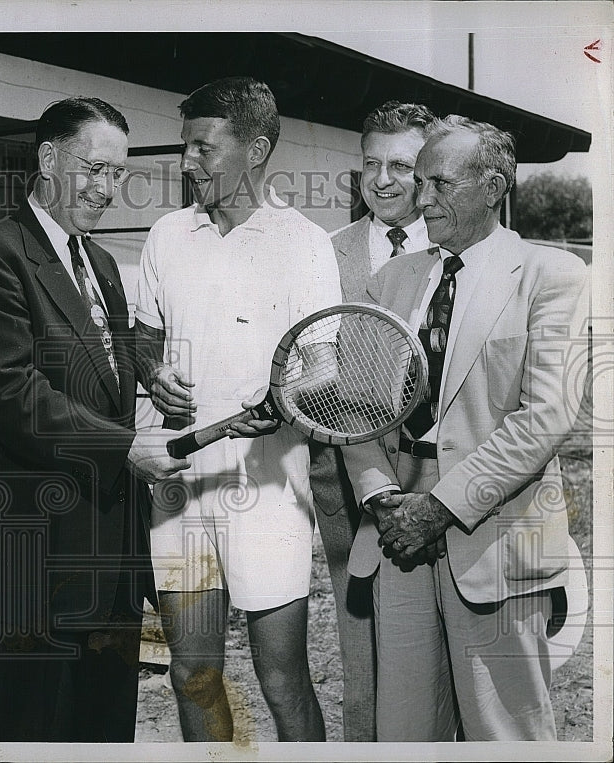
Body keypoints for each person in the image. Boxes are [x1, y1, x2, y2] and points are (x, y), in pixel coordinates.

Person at [342, 115, 590, 740]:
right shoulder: (390, 280)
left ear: (495, 185)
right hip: (397, 536)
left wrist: (443, 507)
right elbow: (355, 406)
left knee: (505, 733)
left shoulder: (551, 276)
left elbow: (547, 415)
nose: (421, 200)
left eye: (440, 184)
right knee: (406, 732)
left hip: (496, 540)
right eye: (419, 181)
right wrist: (381, 496)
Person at [0, 96, 189, 742]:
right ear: (48, 159)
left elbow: (99, 376)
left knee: (105, 732)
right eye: (95, 169)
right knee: (28, 733)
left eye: (118, 174)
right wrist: (127, 446)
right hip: (28, 565)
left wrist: (150, 373)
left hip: (105, 566)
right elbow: (11, 391)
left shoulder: (104, 265)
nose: (108, 188)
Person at [134, 77, 341, 742]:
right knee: (192, 673)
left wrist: (285, 403)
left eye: (203, 146)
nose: (188, 161)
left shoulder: (305, 241)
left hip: (269, 490)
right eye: (185, 146)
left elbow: (325, 368)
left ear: (254, 149)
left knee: (281, 680)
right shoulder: (168, 233)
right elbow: (143, 337)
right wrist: (156, 370)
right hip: (180, 489)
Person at [312, 100, 436, 741]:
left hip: (430, 473)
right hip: (345, 476)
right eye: (371, 165)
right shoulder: (323, 253)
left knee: (431, 642)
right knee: (360, 638)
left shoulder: (448, 254)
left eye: (402, 166)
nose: (383, 180)